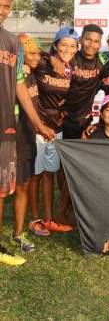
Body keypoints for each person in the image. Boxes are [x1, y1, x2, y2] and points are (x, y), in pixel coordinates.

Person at [0, 0, 55, 266]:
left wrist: (38, 124)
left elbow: (20, 85)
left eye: (7, 6)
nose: (2, 11)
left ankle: (12, 238)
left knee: (7, 185)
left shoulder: (12, 43)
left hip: (9, 126)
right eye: (0, 5)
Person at [29, 27, 78, 235]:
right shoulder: (42, 63)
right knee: (35, 175)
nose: (68, 50)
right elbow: (27, 50)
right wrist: (50, 58)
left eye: (72, 46)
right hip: (37, 127)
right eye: (63, 45)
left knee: (49, 173)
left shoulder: (71, 68)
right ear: (55, 46)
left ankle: (49, 219)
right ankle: (35, 219)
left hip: (56, 128)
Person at [11, 35, 42, 251]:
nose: (36, 57)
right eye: (30, 53)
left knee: (23, 185)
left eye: (38, 53)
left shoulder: (34, 73)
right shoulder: (9, 75)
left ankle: (18, 233)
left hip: (27, 137)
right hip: (7, 137)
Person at [62, 24, 106, 140]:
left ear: (100, 44)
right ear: (80, 39)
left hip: (86, 119)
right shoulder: (69, 58)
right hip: (64, 118)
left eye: (96, 41)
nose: (91, 44)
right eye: (88, 39)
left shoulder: (103, 61)